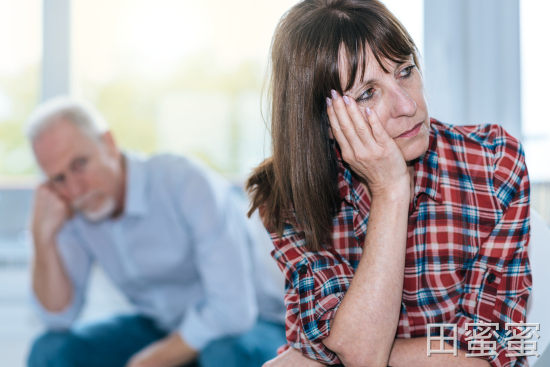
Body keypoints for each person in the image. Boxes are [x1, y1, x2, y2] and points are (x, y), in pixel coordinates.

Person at [246, 1, 532, 366]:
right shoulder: (287, 197)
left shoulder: (493, 164)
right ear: (322, 118)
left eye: (405, 71)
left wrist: (343, 351)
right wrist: (392, 191)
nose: (407, 105)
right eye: (368, 92)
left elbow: (499, 349)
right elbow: (360, 352)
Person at [25, 97, 286, 367]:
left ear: (108, 142)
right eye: (59, 179)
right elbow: (58, 318)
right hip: (163, 327)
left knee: (223, 355)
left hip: (252, 324)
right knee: (49, 350)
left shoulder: (184, 181)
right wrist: (40, 234)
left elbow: (233, 312)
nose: (75, 189)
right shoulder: (75, 207)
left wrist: (151, 360)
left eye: (80, 164)